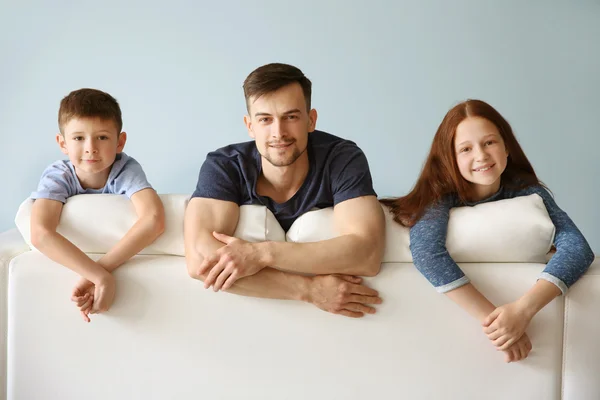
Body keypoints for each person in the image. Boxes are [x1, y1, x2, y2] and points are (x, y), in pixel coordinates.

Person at [381, 99, 594, 362]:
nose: (481, 156)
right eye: (466, 149)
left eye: (489, 142)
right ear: (450, 158)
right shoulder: (439, 197)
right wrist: (497, 324)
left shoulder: (529, 192)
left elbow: (578, 248)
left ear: (506, 147)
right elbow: (427, 253)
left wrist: (522, 311)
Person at [184, 63, 385, 318]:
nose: (278, 132)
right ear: (249, 126)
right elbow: (201, 263)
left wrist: (261, 253)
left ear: (311, 120)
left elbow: (367, 253)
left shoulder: (342, 158)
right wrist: (308, 289)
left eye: (291, 117)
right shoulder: (224, 165)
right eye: (265, 120)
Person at [30, 88, 165, 322]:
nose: (91, 147)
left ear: (120, 141)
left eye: (102, 137)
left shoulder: (125, 169)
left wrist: (101, 271)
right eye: (78, 138)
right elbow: (40, 233)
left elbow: (154, 219)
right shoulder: (58, 175)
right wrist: (101, 278)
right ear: (62, 143)